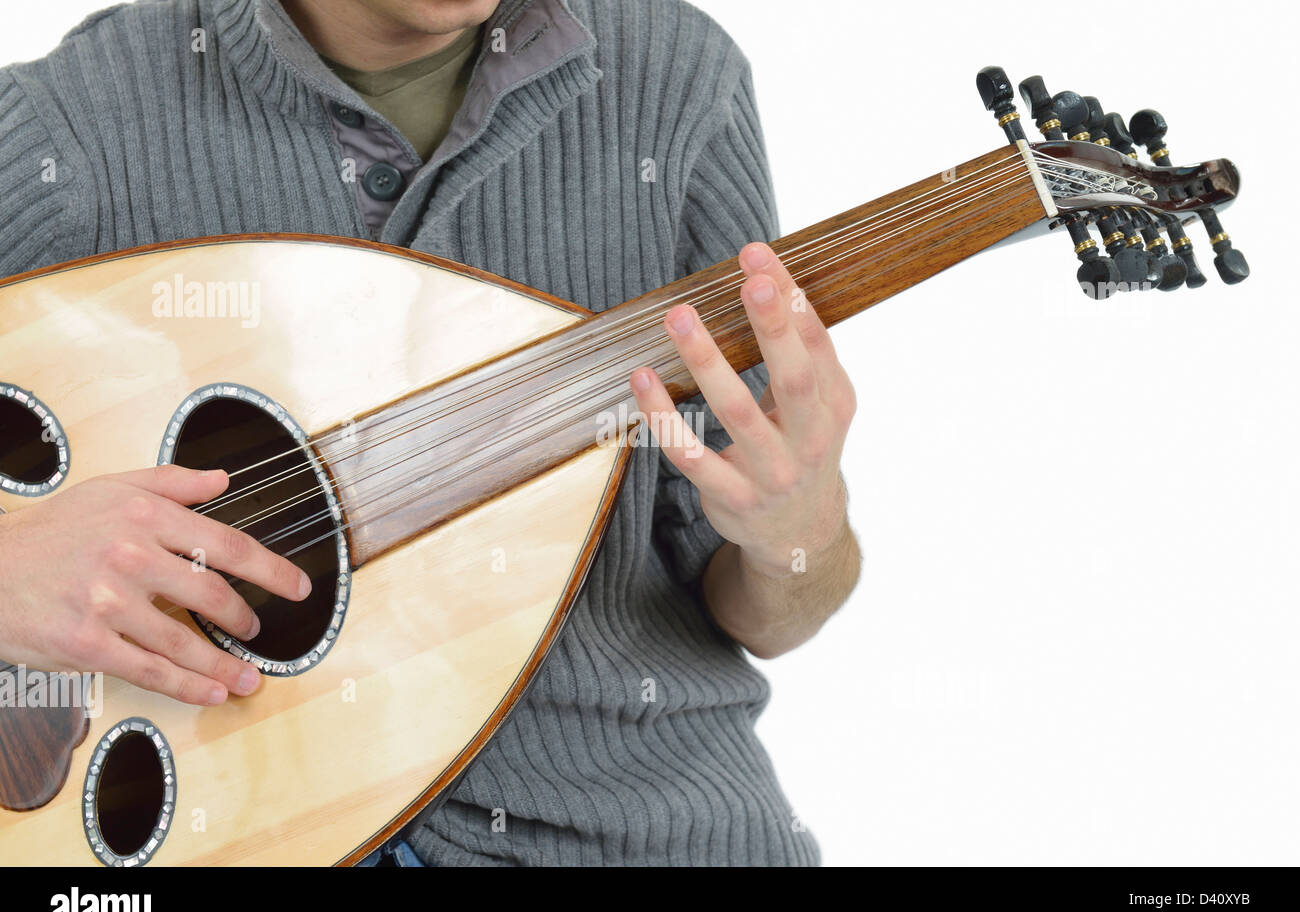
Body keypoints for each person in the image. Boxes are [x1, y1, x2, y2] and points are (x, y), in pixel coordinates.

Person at [0, 0, 861, 865]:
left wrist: (803, 533)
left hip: (633, 834)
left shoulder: (675, 81)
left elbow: (767, 607)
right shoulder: (77, 127)